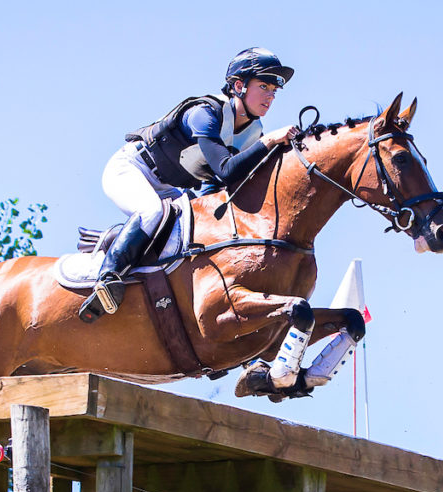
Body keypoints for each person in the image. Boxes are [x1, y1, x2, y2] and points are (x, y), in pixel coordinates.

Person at [78, 47, 300, 323]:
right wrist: (269, 143)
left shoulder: (253, 133)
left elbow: (217, 190)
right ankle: (107, 279)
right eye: (264, 86)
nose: (270, 96)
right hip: (132, 169)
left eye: (274, 90)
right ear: (239, 86)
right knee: (152, 212)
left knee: (194, 233)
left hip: (172, 188)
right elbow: (225, 170)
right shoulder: (205, 113)